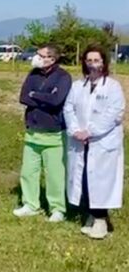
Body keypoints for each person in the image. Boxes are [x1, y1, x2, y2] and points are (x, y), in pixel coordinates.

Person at [63, 45, 125, 240]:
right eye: (89, 61)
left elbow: (113, 114)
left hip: (103, 141)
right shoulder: (77, 86)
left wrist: (91, 131)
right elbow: (68, 108)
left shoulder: (113, 87)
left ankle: (101, 220)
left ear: (104, 63)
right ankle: (91, 214)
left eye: (96, 60)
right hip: (81, 140)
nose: (92, 65)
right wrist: (75, 130)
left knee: (101, 180)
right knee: (84, 179)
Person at [14, 45, 72, 222]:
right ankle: (31, 204)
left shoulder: (63, 77)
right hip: (32, 131)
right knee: (29, 171)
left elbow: (56, 101)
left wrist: (35, 95)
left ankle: (57, 208)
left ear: (52, 59)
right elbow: (23, 97)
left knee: (55, 174)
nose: (36, 58)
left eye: (41, 55)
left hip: (54, 134)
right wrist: (42, 96)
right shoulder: (33, 74)